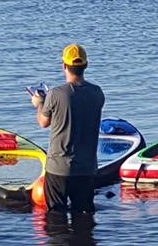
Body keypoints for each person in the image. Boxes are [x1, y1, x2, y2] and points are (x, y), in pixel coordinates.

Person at [30, 44, 106, 215]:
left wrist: (39, 103)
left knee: (56, 218)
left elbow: (43, 122)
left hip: (59, 169)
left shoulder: (55, 94)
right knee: (85, 216)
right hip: (87, 168)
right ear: (86, 65)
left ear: (64, 65)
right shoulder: (97, 93)